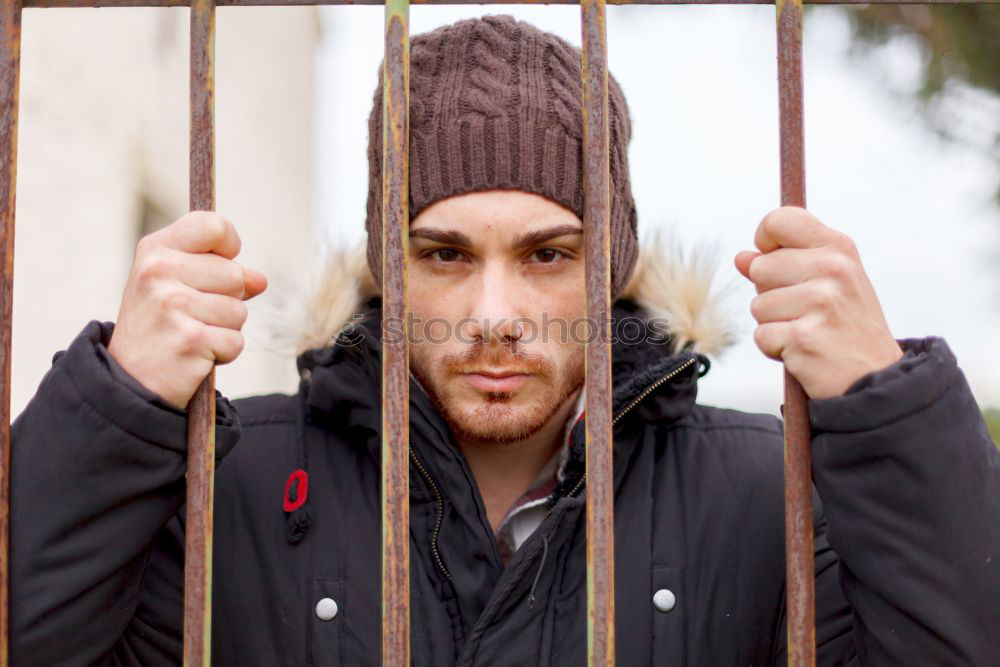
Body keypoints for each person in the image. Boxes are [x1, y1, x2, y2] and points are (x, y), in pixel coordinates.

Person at [10, 14, 1000, 666]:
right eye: (443, 254)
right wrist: (115, 403)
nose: (493, 311)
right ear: (387, 267)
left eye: (546, 253)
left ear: (609, 265)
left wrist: (884, 405)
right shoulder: (228, 478)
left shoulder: (763, 492)